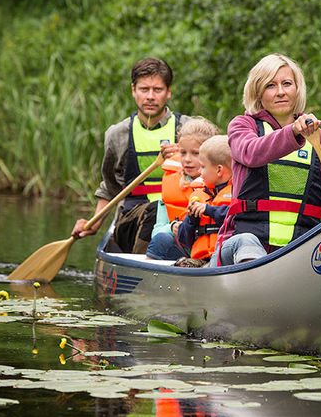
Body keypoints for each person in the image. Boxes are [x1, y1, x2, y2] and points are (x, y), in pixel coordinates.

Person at [210, 53, 321, 287]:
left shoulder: (320, 140)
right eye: (270, 86)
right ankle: (257, 284)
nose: (281, 92)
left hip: (297, 255)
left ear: (297, 89)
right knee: (246, 242)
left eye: (287, 84)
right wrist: (293, 132)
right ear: (258, 92)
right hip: (240, 247)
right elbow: (251, 153)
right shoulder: (243, 126)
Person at [71, 57, 188, 253]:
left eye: (157, 90)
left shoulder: (187, 129)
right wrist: (94, 223)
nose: (150, 96)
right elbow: (110, 187)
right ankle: (146, 262)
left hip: (180, 215)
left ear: (168, 92)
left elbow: (210, 173)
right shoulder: (117, 134)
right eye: (144, 89)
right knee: (154, 210)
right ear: (133, 90)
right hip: (133, 217)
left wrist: (182, 154)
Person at [145, 117, 219, 260]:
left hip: (213, 253)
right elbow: (157, 231)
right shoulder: (171, 182)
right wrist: (172, 227)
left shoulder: (223, 184)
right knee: (161, 240)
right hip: (183, 252)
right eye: (183, 153)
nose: (187, 159)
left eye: (195, 153)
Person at [173, 135, 232, 265]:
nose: (199, 171)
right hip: (200, 260)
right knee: (181, 266)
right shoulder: (198, 196)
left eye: (203, 167)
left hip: (226, 260)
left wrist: (209, 210)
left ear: (218, 170)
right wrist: (191, 218)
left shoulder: (237, 193)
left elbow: (234, 218)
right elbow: (184, 239)